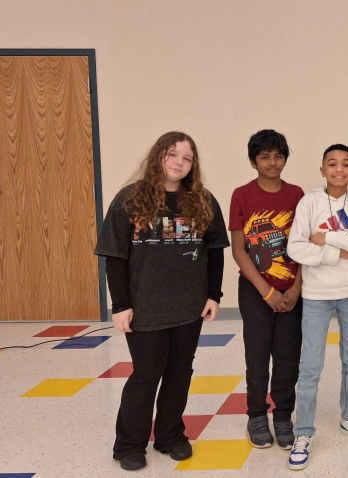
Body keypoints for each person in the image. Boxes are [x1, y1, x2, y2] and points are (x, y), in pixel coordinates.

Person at [97, 132, 228, 471]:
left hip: (190, 306)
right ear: (159, 156)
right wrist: (120, 304)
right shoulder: (130, 199)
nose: (179, 162)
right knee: (147, 373)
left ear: (193, 165)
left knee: (179, 371)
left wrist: (214, 295)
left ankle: (170, 435)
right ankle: (129, 444)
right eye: (173, 154)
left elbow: (215, 254)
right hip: (144, 307)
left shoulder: (204, 201)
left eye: (187, 158)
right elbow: (114, 256)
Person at [285, 144, 348, 470]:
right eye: (332, 164)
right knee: (310, 365)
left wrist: (327, 239)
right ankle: (303, 433)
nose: (339, 169)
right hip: (316, 295)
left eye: (346, 165)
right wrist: (341, 251)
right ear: (322, 169)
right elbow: (297, 247)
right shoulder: (309, 202)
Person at [228, 129, 305, 450]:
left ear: (285, 158)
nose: (272, 162)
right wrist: (267, 291)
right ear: (252, 161)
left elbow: (304, 248)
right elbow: (238, 249)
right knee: (257, 355)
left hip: (293, 291)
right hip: (255, 291)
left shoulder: (298, 194)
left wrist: (296, 289)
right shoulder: (241, 195)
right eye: (264, 157)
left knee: (288, 357)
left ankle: (284, 415)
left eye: (278, 156)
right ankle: (257, 414)